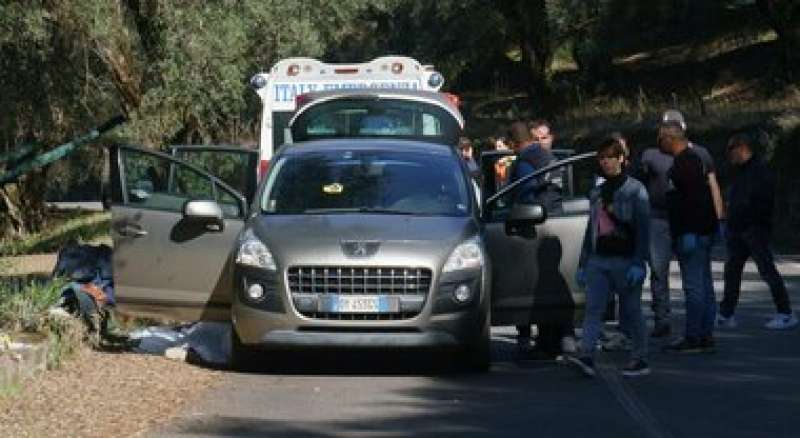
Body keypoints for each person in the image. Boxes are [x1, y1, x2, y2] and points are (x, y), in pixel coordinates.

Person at [635, 110, 723, 338]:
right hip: (659, 218)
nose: (661, 137)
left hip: (688, 225)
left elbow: (710, 187)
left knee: (696, 281)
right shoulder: (650, 156)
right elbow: (639, 186)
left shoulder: (697, 155)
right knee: (659, 271)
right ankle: (665, 320)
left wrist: (719, 218)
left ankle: (700, 332)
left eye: (667, 132)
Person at [568, 136, 651, 377]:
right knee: (593, 309)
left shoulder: (636, 190)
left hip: (626, 261)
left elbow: (643, 231)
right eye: (602, 158)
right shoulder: (597, 192)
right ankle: (587, 355)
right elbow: (589, 230)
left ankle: (640, 357)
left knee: (632, 310)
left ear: (622, 159)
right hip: (599, 260)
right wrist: (584, 262)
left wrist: (639, 262)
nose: (606, 162)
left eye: (611, 158)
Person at [717, 132, 798, 330]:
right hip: (738, 229)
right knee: (732, 272)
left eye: (732, 151)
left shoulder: (760, 171)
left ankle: (785, 312)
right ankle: (726, 313)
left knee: (767, 270)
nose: (730, 156)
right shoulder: (739, 171)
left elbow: (762, 201)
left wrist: (752, 220)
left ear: (742, 148)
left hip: (754, 228)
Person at [657, 121, 718, 353]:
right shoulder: (691, 160)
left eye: (660, 139)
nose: (659, 144)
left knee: (695, 287)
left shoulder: (686, 163)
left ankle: (694, 336)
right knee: (704, 285)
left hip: (692, 232)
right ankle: (705, 334)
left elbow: (695, 201)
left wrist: (690, 231)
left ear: (670, 138)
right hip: (700, 231)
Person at [507, 121, 565, 356]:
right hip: (559, 221)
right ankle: (560, 337)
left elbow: (525, 194)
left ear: (513, 144)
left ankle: (545, 342)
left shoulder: (524, 162)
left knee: (532, 286)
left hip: (536, 226)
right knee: (552, 284)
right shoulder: (547, 156)